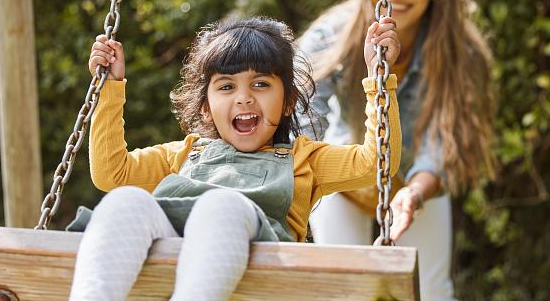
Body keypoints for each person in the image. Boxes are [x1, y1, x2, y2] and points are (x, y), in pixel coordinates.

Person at [67, 16, 402, 301]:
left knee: (221, 205)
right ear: (205, 107)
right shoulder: (184, 153)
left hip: (262, 264)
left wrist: (379, 79)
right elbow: (111, 173)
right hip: (174, 246)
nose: (244, 98)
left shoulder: (305, 159)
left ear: (287, 103)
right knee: (127, 201)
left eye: (260, 84)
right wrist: (109, 87)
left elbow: (375, 163)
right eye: (226, 87)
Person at [299, 0, 497, 301]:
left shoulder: (459, 51)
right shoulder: (333, 34)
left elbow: (444, 141)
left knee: (431, 291)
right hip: (346, 174)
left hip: (416, 184)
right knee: (342, 289)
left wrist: (414, 194)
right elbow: (305, 113)